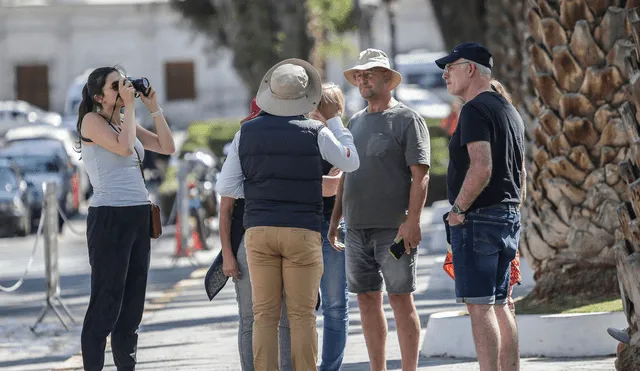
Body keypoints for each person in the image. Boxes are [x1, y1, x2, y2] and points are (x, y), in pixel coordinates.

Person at [216, 59, 360, 371]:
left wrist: (263, 186)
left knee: (264, 315)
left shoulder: (246, 133)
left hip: (259, 231)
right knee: (302, 315)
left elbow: (227, 186)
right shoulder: (316, 131)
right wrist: (335, 121)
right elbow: (350, 162)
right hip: (302, 231)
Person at [328, 48, 431, 371]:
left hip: (394, 232)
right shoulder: (355, 122)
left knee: (401, 299)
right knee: (366, 299)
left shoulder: (407, 120)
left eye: (369, 74)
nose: (362, 80)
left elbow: (421, 175)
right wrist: (335, 220)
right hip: (356, 230)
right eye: (358, 75)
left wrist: (411, 223)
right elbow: (346, 174)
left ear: (388, 79)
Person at [77, 66, 175, 371]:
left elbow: (167, 147)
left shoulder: (122, 120)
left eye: (125, 82)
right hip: (109, 218)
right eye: (115, 85)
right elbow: (122, 148)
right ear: (98, 96)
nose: (123, 88)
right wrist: (130, 107)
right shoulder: (91, 121)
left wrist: (153, 107)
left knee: (131, 310)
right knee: (106, 303)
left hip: (137, 216)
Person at [437, 42, 524, 371]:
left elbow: (482, 166)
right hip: (506, 216)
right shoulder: (507, 109)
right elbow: (521, 173)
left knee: (481, 306)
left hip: (478, 219)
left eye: (451, 67)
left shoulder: (474, 109)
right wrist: (512, 212)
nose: (445, 74)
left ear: (470, 68)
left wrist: (458, 212)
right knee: (501, 305)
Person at [212, 98, 293, 371]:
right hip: (246, 241)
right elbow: (225, 209)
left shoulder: (290, 144)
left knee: (285, 317)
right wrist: (227, 255)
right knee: (250, 316)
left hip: (284, 237)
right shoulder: (241, 146)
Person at [308, 83, 350, 371]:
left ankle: (329, 368)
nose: (320, 110)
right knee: (302, 307)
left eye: (328, 105)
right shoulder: (303, 137)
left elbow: (341, 187)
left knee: (335, 306)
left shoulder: (344, 142)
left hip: (333, 226)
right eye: (317, 104)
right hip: (301, 227)